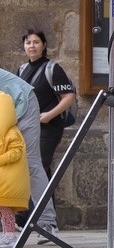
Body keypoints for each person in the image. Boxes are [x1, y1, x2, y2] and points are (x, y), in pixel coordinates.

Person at [0, 68, 59, 243]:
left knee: (31, 163)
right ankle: (8, 229)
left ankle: (47, 223)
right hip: (6, 108)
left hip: (23, 104)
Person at [18, 30, 76, 176]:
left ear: (44, 45)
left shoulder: (53, 69)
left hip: (48, 128)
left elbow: (68, 97)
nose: (32, 46)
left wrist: (49, 115)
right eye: (28, 43)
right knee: (40, 169)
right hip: (28, 128)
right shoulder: (22, 70)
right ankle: (47, 192)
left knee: (35, 169)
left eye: (36, 42)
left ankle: (39, 193)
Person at [0, 91, 30, 245]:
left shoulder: (11, 132)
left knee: (6, 210)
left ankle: (10, 235)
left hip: (8, 181)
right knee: (3, 209)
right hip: (4, 180)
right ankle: (7, 234)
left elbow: (16, 151)